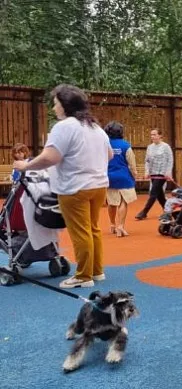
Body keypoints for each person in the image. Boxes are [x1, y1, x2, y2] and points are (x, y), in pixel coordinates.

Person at [14, 84, 112, 289]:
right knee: (93, 229)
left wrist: (26, 165)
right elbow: (109, 154)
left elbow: (50, 157)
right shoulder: (95, 127)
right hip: (98, 185)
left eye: (56, 104)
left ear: (66, 105)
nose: (53, 108)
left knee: (80, 232)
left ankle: (83, 276)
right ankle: (96, 270)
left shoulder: (64, 127)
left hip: (74, 187)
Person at [104, 121, 137, 237]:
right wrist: (134, 174)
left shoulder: (105, 144)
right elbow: (131, 163)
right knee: (123, 201)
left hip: (109, 177)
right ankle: (121, 226)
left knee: (111, 202)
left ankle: (112, 225)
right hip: (124, 177)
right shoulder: (125, 145)